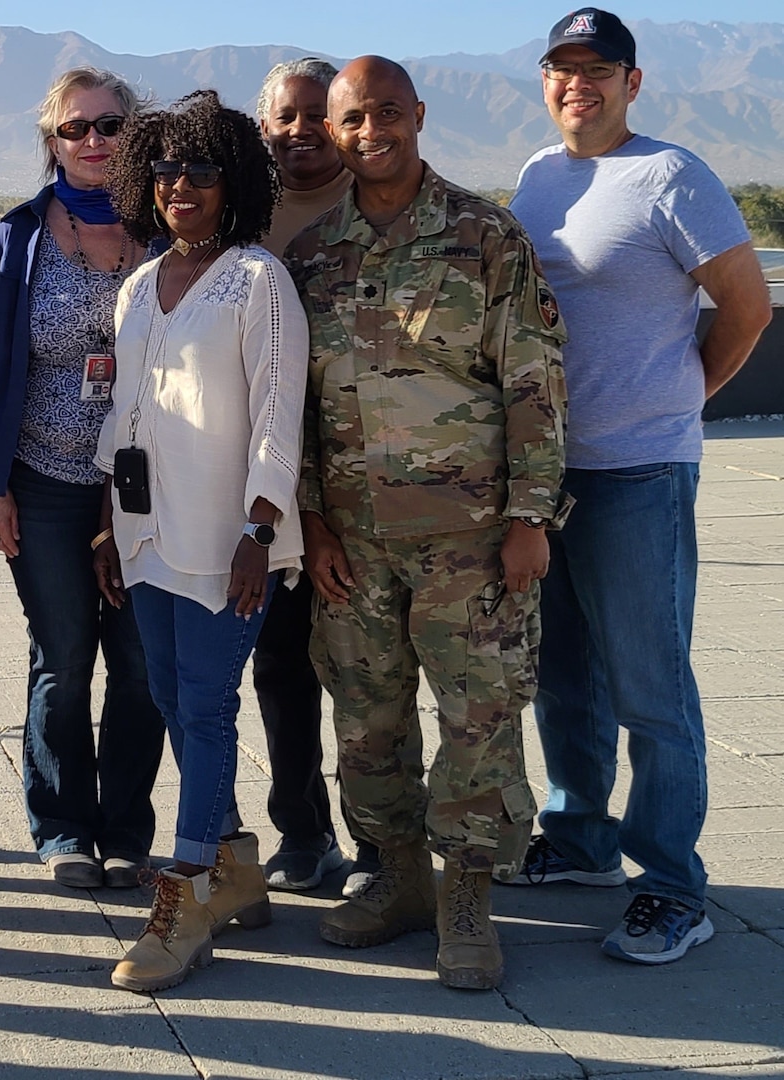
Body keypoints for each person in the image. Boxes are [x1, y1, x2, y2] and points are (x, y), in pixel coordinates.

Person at [285, 57, 568, 992]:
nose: (374, 131)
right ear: (333, 131)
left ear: (419, 115)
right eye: (354, 118)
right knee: (366, 723)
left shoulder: (486, 236)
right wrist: (314, 524)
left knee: (477, 718)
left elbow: (533, 383)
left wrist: (531, 517)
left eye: (389, 113)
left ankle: (468, 894)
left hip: (471, 541)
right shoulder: (313, 255)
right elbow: (293, 411)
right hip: (353, 545)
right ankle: (398, 877)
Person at [507, 9, 771, 965]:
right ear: (545, 80)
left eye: (598, 68)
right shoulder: (538, 178)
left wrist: (683, 395)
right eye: (561, 66)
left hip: (640, 471)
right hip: (550, 472)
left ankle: (672, 885)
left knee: (651, 682)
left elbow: (745, 303)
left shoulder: (672, 174)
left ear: (633, 81)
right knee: (564, 674)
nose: (578, 82)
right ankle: (580, 841)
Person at [95, 90, 306, 992]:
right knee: (176, 704)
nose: (183, 187)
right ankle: (239, 871)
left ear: (236, 184)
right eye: (168, 170)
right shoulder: (141, 283)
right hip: (146, 532)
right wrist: (109, 525)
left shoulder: (258, 280)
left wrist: (262, 529)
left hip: (227, 539)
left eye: (204, 171)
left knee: (209, 707)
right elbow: (123, 407)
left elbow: (276, 413)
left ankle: (181, 903)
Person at [0, 67, 165, 891]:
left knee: (143, 661)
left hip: (149, 487)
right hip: (44, 481)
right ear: (51, 141)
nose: (93, 142)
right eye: (75, 129)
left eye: (109, 126)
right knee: (64, 657)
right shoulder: (16, 238)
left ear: (134, 135)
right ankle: (61, 828)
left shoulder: (170, 229)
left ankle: (126, 829)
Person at [253, 56, 380, 896]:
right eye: (284, 117)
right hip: (271, 484)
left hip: (371, 485)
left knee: (373, 675)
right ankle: (303, 833)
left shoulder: (376, 203)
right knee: (282, 668)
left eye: (315, 115)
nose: (300, 130)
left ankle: (383, 851)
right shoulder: (241, 214)